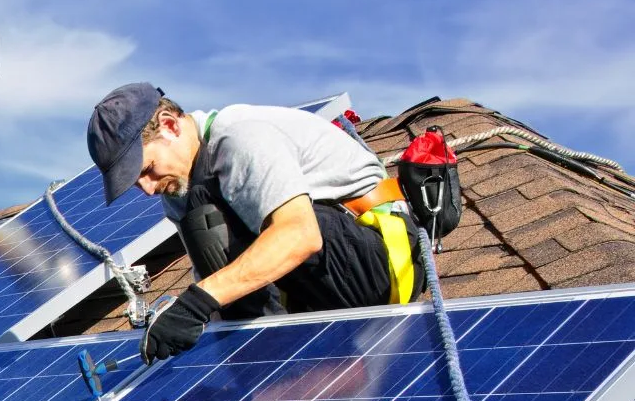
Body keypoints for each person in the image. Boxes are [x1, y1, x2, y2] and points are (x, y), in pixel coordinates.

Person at [86, 82, 421, 360]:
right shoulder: (181, 193)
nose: (146, 189)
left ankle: (276, 362)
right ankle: (268, 367)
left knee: (209, 215)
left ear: (171, 125)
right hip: (321, 281)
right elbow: (217, 285)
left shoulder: (239, 136)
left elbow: (300, 234)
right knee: (199, 215)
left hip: (381, 262)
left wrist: (195, 303)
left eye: (147, 170)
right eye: (136, 183)